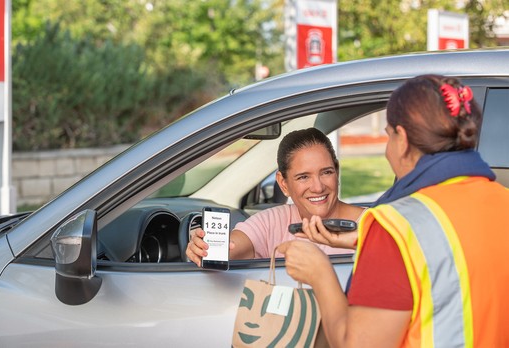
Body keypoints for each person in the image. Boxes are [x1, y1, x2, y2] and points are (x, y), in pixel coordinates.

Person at [278, 74, 509, 347]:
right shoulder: (502, 200)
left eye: (388, 137)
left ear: (402, 138)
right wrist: (368, 241)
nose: (387, 152)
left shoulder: (396, 227)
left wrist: (320, 273)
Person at [186, 127, 365, 267]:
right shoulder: (273, 221)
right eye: (303, 177)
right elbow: (233, 247)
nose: (318, 187)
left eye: (326, 173)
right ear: (283, 183)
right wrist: (205, 248)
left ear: (337, 172)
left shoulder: (374, 223)